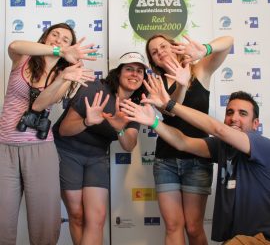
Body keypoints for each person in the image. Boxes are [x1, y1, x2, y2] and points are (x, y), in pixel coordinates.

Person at [120, 81, 270, 244]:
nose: (234, 118)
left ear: (256, 124)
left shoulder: (261, 145)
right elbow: (182, 142)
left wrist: (170, 104)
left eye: (243, 114)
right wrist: (154, 122)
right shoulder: (221, 146)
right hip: (235, 239)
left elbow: (218, 130)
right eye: (230, 112)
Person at [0, 22, 97, 245]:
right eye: (55, 35)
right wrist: (59, 50)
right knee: (3, 220)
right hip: (4, 148)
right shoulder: (22, 57)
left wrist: (63, 78)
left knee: (44, 222)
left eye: (65, 40)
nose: (59, 40)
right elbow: (15, 44)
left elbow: (40, 105)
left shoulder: (65, 74)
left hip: (40, 150)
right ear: (45, 37)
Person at [144, 33, 233, 244]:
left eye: (163, 46)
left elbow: (228, 41)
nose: (160, 53)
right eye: (154, 52)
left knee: (193, 227)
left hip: (198, 159)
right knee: (173, 226)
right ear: (152, 61)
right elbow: (171, 111)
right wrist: (181, 85)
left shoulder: (200, 69)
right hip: (166, 160)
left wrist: (205, 49)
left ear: (174, 46)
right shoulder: (156, 84)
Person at [52, 52, 149, 245]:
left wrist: (120, 129)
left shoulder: (135, 106)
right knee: (77, 214)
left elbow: (129, 144)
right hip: (68, 151)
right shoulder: (96, 89)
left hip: (96, 156)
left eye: (139, 71)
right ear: (118, 72)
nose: (134, 74)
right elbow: (64, 129)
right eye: (129, 68)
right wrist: (88, 121)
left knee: (97, 217)